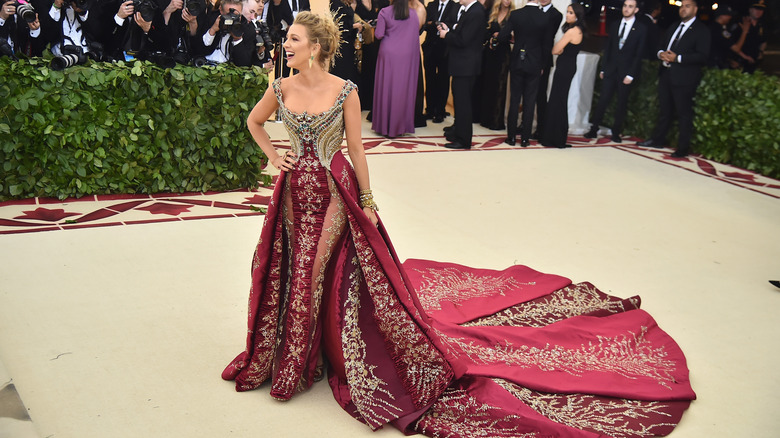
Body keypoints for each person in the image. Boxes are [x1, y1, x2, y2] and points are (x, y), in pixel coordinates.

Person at [222, 10, 696, 436]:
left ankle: (300, 365)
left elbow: (356, 149)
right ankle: (293, 353)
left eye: (294, 39)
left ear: (317, 47)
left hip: (333, 191)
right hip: (290, 194)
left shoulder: (345, 90)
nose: (286, 45)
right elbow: (254, 122)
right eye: (287, 39)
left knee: (314, 270)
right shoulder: (279, 86)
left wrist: (366, 199)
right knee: (290, 267)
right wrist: (273, 158)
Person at [636, 0, 710, 158]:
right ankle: (658, 140)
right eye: (682, 6)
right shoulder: (674, 26)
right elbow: (661, 46)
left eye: (687, 6)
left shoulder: (701, 30)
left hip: (685, 78)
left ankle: (683, 148)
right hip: (666, 74)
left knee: (683, 114)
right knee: (664, 110)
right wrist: (660, 54)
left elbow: (703, 56)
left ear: (695, 9)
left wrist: (679, 58)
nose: (683, 9)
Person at [584, 0, 646, 143]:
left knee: (621, 103)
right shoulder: (615, 24)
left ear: (636, 10)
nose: (626, 8)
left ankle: (616, 132)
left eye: (630, 6)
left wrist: (631, 74)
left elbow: (639, 54)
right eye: (625, 5)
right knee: (602, 100)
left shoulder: (641, 29)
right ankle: (593, 129)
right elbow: (609, 48)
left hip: (625, 73)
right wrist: (604, 68)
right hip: (610, 70)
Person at [438, 0, 486, 150]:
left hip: (466, 65)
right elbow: (463, 32)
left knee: (463, 104)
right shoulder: (471, 10)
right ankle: (458, 133)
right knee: (459, 101)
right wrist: (450, 28)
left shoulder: (476, 12)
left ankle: (463, 140)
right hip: (462, 65)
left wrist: (446, 35)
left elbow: (463, 40)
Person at [371, 0, 424, 137]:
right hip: (406, 56)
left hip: (388, 55)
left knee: (386, 88)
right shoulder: (413, 14)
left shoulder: (385, 12)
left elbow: (378, 34)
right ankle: (400, 126)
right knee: (402, 91)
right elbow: (414, 37)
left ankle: (385, 126)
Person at [498, 0, 546, 147]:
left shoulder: (516, 15)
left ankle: (511, 137)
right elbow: (546, 44)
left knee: (514, 99)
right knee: (530, 101)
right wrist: (542, 64)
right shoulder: (544, 17)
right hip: (535, 63)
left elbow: (502, 36)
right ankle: (525, 139)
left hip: (518, 60)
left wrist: (516, 40)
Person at [539, 2, 584, 149]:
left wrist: (559, 49)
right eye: (568, 12)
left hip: (565, 68)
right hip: (568, 67)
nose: (567, 15)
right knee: (559, 100)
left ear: (577, 16)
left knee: (557, 100)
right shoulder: (578, 30)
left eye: (571, 13)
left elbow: (555, 49)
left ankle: (555, 138)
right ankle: (556, 137)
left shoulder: (572, 31)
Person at [477, 0, 511, 131]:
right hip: (490, 52)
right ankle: (485, 118)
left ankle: (497, 121)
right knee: (488, 84)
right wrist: (491, 37)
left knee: (500, 86)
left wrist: (503, 36)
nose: (507, 1)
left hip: (503, 54)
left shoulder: (512, 15)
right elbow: (484, 31)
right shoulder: (492, 13)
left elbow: (514, 35)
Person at [422, 0, 458, 123]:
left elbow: (456, 25)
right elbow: (424, 24)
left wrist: (444, 25)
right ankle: (430, 109)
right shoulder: (431, 5)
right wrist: (433, 24)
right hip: (430, 48)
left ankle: (440, 111)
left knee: (443, 79)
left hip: (446, 49)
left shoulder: (455, 6)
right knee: (430, 78)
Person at [532, 0, 562, 139]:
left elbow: (547, 39)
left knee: (540, 95)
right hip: (529, 58)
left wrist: (543, 64)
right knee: (528, 94)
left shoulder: (556, 15)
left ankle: (541, 127)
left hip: (543, 59)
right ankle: (526, 123)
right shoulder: (533, 10)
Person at [194, 0, 254, 66]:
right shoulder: (211, 18)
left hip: (231, 70)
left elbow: (244, 63)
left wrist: (237, 39)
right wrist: (212, 30)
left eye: (236, 15)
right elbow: (197, 50)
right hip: (206, 64)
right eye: (228, 14)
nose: (232, 18)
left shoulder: (248, 29)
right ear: (221, 10)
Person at [730, 0, 767, 74]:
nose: (758, 12)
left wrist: (761, 52)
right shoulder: (740, 23)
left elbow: (764, 40)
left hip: (753, 62)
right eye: (756, 9)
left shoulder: (761, 25)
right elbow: (730, 43)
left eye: (761, 10)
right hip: (739, 62)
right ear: (750, 9)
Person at [707, 4, 735, 69]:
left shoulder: (711, 27)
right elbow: (735, 48)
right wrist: (745, 32)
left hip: (716, 62)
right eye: (728, 15)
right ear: (722, 16)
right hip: (715, 64)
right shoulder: (718, 30)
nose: (730, 17)